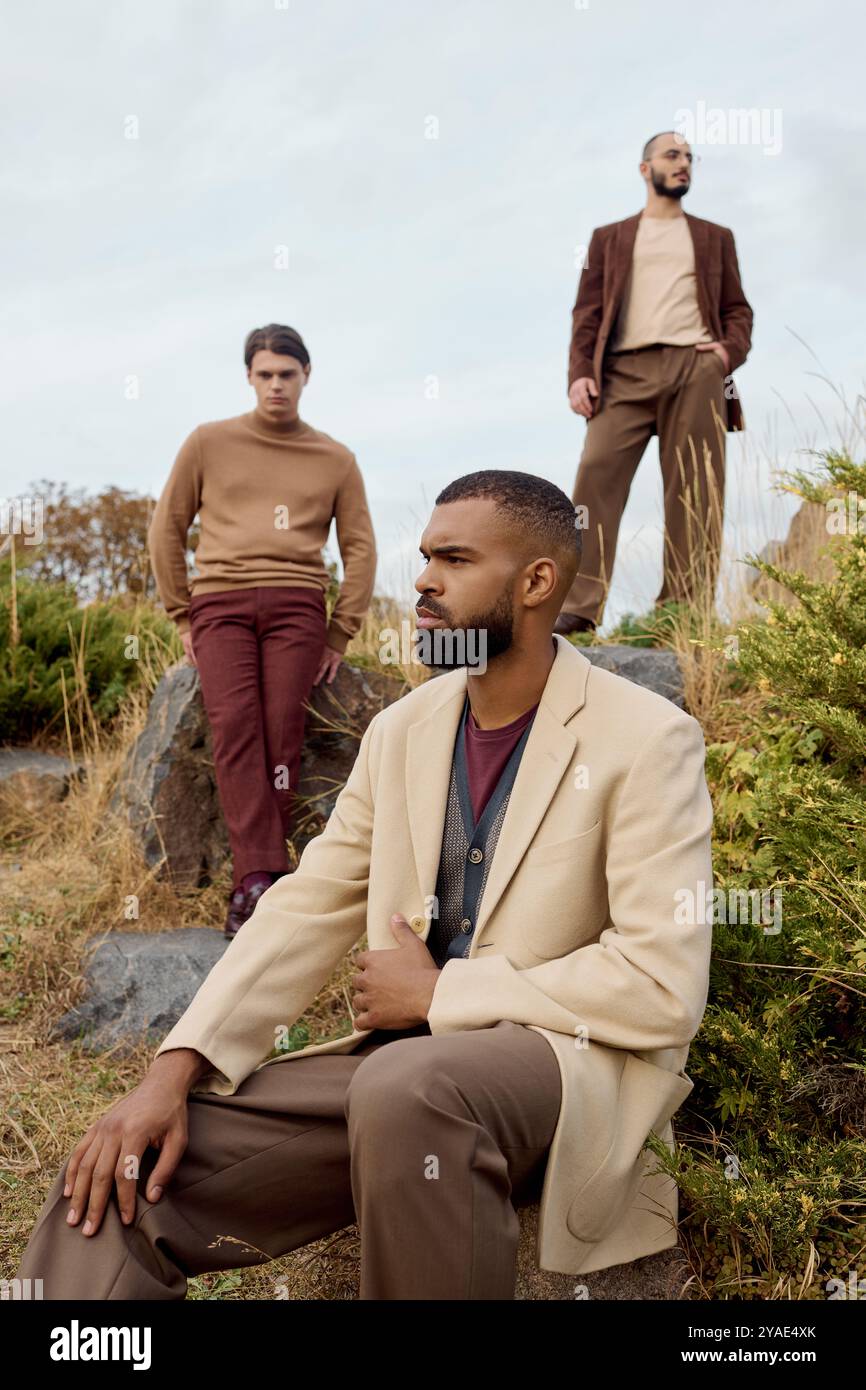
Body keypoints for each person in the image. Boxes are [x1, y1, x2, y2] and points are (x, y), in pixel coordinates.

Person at [15, 471, 713, 1300]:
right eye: (424, 557)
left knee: (406, 1085)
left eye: (454, 559)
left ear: (537, 583)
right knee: (117, 1170)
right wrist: (167, 1077)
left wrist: (442, 992)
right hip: (400, 1080)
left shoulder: (648, 738)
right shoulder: (402, 731)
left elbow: (662, 986)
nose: (422, 580)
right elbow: (305, 908)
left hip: (563, 1077)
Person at [146, 324, 377, 935]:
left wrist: (340, 631)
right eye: (265, 374)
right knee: (235, 726)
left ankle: (259, 882)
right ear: (250, 377)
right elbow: (166, 528)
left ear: (306, 376)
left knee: (282, 730)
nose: (277, 385)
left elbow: (360, 547)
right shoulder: (208, 442)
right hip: (218, 603)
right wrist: (180, 612)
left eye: (288, 374)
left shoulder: (335, 458)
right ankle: (260, 877)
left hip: (297, 605)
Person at [555, 131, 753, 635]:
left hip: (696, 369)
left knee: (695, 489)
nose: (683, 163)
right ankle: (578, 606)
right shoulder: (608, 237)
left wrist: (724, 356)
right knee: (593, 476)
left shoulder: (715, 237)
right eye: (672, 155)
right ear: (645, 169)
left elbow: (737, 310)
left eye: (689, 157)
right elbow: (587, 312)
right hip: (621, 373)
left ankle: (684, 610)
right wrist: (580, 373)